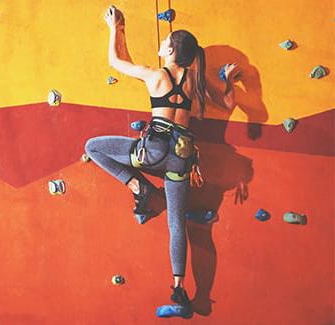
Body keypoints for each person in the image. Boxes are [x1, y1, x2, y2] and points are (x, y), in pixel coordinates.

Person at [84, 5, 239, 318]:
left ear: (170, 50)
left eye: (164, 41)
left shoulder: (157, 75)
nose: (160, 44)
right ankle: (182, 291)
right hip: (181, 158)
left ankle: (139, 187)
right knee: (177, 225)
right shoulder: (197, 82)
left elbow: (117, 62)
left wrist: (115, 27)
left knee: (94, 147)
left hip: (152, 151)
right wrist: (230, 79)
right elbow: (228, 102)